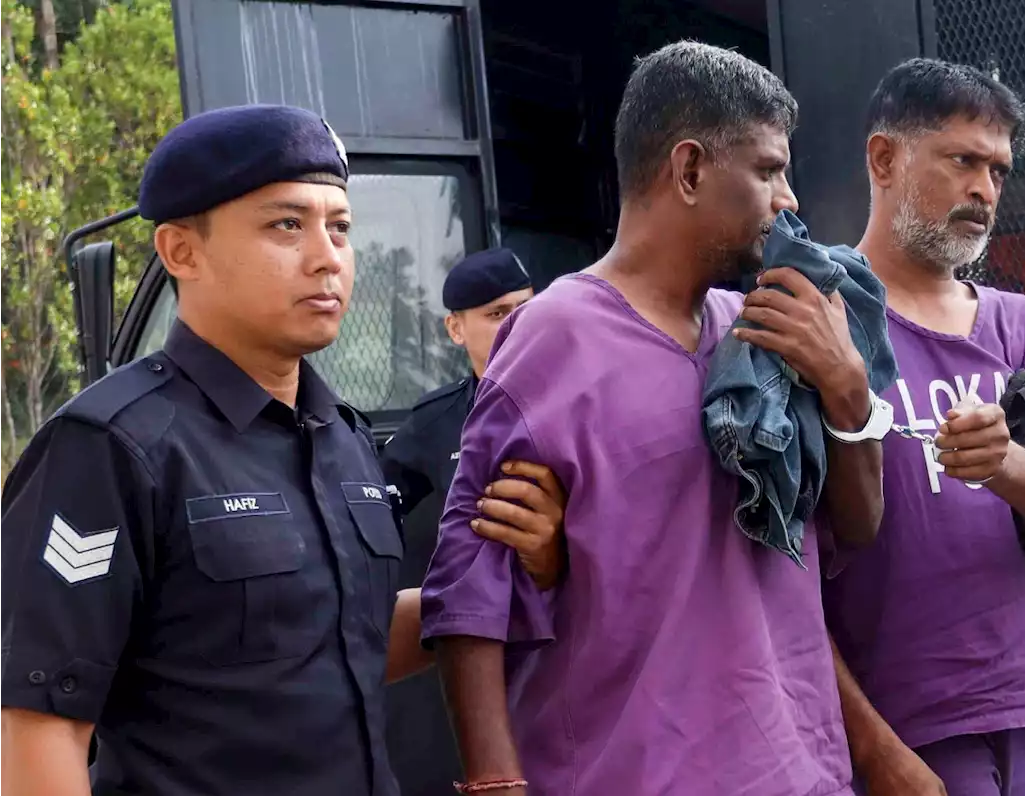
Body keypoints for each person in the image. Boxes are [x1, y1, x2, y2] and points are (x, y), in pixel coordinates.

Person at [0, 104, 564, 796]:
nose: (327, 256)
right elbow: (40, 733)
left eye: (341, 228)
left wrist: (522, 570)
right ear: (183, 251)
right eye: (286, 225)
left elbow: (340, 636)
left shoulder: (344, 437)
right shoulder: (113, 448)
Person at [420, 41, 886, 796]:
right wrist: (496, 782)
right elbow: (470, 589)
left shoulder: (762, 330)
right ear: (692, 169)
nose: (789, 199)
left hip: (800, 770)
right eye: (769, 170)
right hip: (628, 771)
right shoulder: (554, 338)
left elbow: (855, 529)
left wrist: (848, 391)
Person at [822, 58, 1025, 796]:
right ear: (884, 158)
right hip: (890, 721)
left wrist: (1006, 464)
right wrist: (874, 750)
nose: (985, 191)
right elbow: (773, 566)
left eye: (1000, 171)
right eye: (963, 161)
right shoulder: (820, 315)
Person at [379, 247, 538, 796]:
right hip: (489, 655)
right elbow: (371, 515)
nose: (517, 325)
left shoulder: (586, 394)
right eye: (497, 314)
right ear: (455, 329)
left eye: (526, 308)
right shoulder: (437, 421)